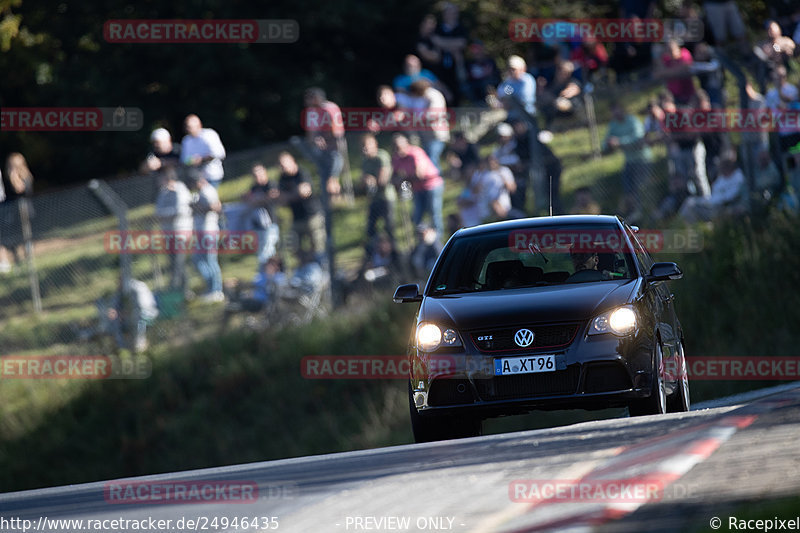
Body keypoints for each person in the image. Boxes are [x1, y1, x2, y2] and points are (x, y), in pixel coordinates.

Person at [602, 100, 652, 216]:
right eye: (612, 110)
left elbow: (638, 138)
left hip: (642, 160)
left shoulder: (632, 121)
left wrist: (619, 142)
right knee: (628, 189)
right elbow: (606, 142)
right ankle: (634, 212)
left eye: (617, 109)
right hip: (629, 162)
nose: (615, 113)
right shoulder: (613, 125)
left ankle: (644, 211)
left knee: (641, 188)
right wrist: (608, 144)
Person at [391, 133, 444, 238]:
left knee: (434, 214)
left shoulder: (415, 153)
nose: (399, 150)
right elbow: (394, 177)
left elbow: (419, 174)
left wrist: (404, 178)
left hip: (431, 185)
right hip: (417, 188)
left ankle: (439, 241)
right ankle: (421, 241)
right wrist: (402, 179)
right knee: (417, 217)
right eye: (396, 147)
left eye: (400, 147)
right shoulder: (396, 158)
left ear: (406, 144)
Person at [277, 151, 326, 263]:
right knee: (292, 245)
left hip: (312, 216)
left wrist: (289, 195)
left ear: (292, 161)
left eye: (284, 164)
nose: (283, 167)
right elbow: (281, 199)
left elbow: (305, 191)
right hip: (297, 218)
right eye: (281, 165)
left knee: (318, 246)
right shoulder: (282, 178)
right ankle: (306, 264)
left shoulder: (302, 172)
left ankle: (321, 268)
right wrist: (294, 194)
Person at [154, 167, 193, 294]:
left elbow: (179, 212)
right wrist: (166, 216)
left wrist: (165, 216)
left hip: (180, 233)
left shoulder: (180, 190)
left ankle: (178, 290)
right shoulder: (163, 192)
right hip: (168, 233)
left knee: (178, 263)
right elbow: (158, 213)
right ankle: (183, 291)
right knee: (174, 264)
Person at [187, 175, 224, 302]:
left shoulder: (208, 191)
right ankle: (210, 287)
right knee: (198, 260)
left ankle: (216, 290)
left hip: (209, 230)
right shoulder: (200, 192)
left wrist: (196, 206)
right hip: (200, 232)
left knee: (210, 260)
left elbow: (216, 207)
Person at [679, 155, 746, 222]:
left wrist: (710, 202)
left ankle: (685, 227)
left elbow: (728, 197)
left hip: (721, 208)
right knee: (689, 202)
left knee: (691, 207)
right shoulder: (722, 178)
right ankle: (682, 225)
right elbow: (714, 194)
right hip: (712, 204)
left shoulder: (738, 178)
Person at [304, 87, 344, 199]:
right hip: (320, 149)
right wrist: (315, 140)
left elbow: (336, 131)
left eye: (309, 99)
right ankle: (330, 197)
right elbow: (310, 134)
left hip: (333, 146)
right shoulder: (311, 112)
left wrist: (325, 139)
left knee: (334, 165)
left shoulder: (330, 108)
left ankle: (335, 195)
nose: (307, 102)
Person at [360, 134, 397, 252]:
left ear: (374, 144)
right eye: (363, 147)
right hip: (374, 199)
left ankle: (394, 253)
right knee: (370, 229)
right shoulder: (365, 161)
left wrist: (371, 180)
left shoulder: (382, 156)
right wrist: (365, 181)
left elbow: (383, 181)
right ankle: (375, 252)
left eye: (367, 146)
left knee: (389, 228)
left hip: (386, 198)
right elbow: (361, 184)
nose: (364, 149)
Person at [405, 79, 450, 172]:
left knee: (432, 159)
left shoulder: (433, 95)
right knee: (430, 158)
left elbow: (434, 114)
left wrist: (416, 118)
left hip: (436, 134)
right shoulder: (421, 97)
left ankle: (436, 181)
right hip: (425, 135)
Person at [242, 163, 280, 269]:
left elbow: (272, 196)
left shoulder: (270, 184)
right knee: (264, 250)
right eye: (255, 174)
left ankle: (264, 271)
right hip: (258, 226)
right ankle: (270, 274)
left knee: (267, 251)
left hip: (270, 224)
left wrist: (257, 199)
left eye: (259, 173)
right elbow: (249, 200)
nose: (257, 176)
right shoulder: (254, 188)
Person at [0, 153, 34, 268]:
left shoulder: (25, 176)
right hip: (11, 213)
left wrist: (14, 177)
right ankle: (17, 260)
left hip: (23, 211)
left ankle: (28, 259)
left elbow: (19, 189)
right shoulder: (6, 179)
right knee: (12, 239)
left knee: (25, 236)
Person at [431, 2, 468, 103]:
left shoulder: (461, 28)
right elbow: (435, 40)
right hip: (440, 67)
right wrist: (453, 44)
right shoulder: (438, 28)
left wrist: (442, 43)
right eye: (449, 12)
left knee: (459, 92)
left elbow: (462, 43)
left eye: (454, 12)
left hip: (457, 65)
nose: (452, 15)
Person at [180, 114, 226, 189]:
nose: (188, 129)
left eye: (190, 127)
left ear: (199, 125)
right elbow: (184, 160)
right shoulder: (186, 141)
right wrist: (191, 161)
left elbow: (219, 153)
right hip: (196, 179)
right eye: (187, 127)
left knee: (209, 198)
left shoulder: (209, 135)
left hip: (212, 174)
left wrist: (201, 159)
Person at [656, 39, 696, 105]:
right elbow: (658, 73)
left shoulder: (685, 53)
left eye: (672, 49)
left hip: (688, 93)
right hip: (674, 95)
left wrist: (667, 73)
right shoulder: (665, 58)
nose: (670, 52)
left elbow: (685, 68)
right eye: (668, 50)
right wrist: (674, 71)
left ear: (677, 47)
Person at [496, 55, 537, 121]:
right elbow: (500, 98)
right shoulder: (506, 83)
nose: (511, 71)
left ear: (523, 69)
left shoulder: (527, 80)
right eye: (509, 69)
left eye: (514, 69)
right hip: (511, 117)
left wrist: (508, 101)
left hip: (527, 117)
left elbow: (525, 99)